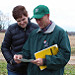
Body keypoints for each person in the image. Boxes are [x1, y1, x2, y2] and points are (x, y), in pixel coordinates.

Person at [14, 5, 71, 75]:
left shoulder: (60, 33)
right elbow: (26, 51)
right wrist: (21, 56)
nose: (38, 22)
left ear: (48, 16)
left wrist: (45, 61)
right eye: (36, 19)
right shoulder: (33, 34)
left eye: (40, 19)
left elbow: (64, 56)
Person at [1, 5, 38, 75]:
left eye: (23, 19)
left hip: (31, 69)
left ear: (27, 15)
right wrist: (11, 61)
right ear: (15, 20)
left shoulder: (36, 28)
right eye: (19, 21)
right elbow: (4, 47)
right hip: (14, 70)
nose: (22, 22)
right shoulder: (11, 29)